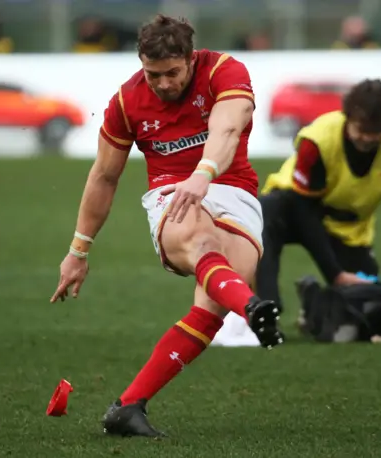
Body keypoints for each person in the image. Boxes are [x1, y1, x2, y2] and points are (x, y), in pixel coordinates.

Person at [50, 14, 284, 437]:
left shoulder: (223, 70)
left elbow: (228, 128)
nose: (162, 83)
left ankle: (127, 407)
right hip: (171, 193)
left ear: (191, 60)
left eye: (172, 73)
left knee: (213, 302)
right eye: (152, 74)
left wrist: (204, 172)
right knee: (199, 238)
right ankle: (250, 307)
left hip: (232, 189)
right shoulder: (126, 102)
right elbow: (103, 177)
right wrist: (77, 252)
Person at [255, 79, 381, 329]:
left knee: (366, 313)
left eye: (377, 131)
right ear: (347, 117)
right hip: (294, 209)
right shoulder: (317, 139)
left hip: (347, 229)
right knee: (264, 213)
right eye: (361, 128)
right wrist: (335, 274)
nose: (368, 138)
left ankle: (314, 304)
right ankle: (266, 310)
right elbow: (304, 210)